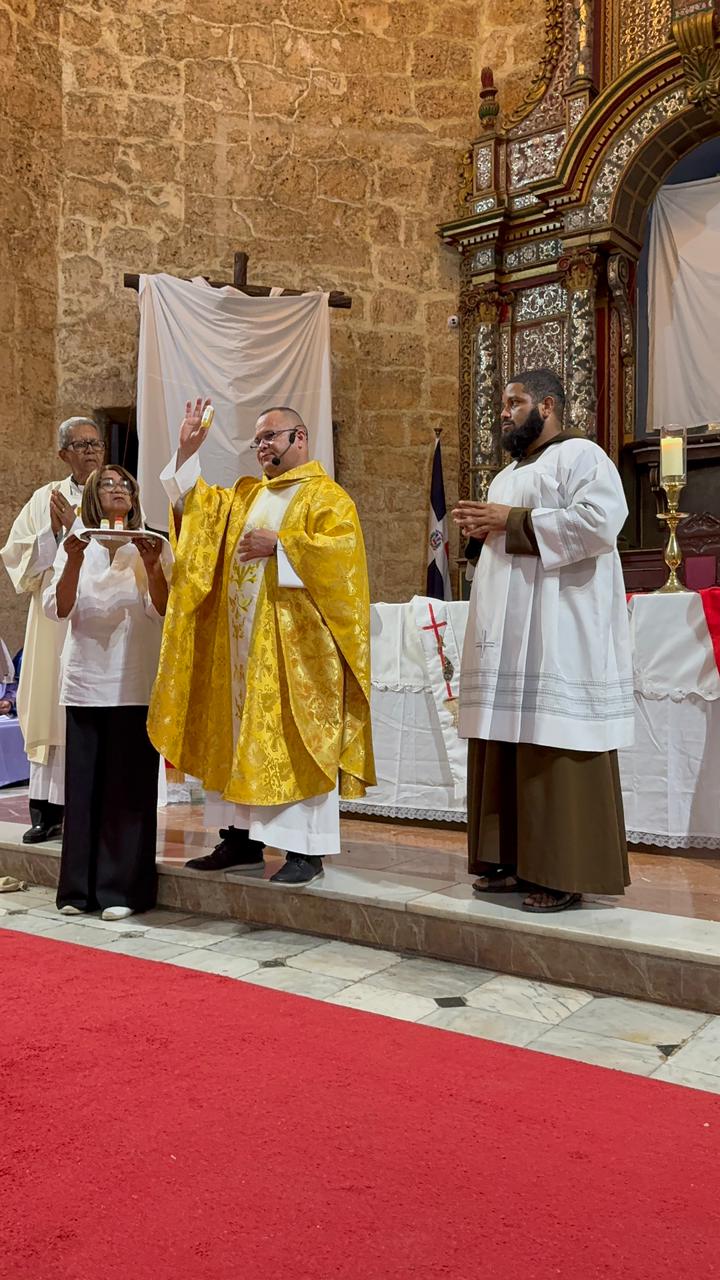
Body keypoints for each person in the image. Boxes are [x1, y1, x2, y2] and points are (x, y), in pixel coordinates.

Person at [148, 401, 375, 886]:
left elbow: (345, 567)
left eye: (271, 436)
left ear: (300, 438)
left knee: (294, 741)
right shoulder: (245, 499)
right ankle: (240, 840)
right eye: (258, 440)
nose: (263, 447)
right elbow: (197, 518)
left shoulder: (327, 498)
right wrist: (187, 454)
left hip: (296, 655)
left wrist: (285, 546)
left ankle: (303, 850)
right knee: (235, 735)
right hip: (239, 653)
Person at [453, 367, 633, 913]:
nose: (504, 413)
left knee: (554, 741)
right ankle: (511, 859)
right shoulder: (506, 473)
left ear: (548, 407)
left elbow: (603, 522)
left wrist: (513, 520)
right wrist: (484, 531)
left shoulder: (583, 457)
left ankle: (562, 871)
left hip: (560, 624)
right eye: (503, 404)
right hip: (510, 630)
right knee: (505, 735)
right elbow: (508, 534)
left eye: (515, 402)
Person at [43, 465, 171, 921]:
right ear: (94, 498)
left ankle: (122, 890)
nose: (117, 489)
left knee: (128, 788)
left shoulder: (152, 544)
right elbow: (59, 609)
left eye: (125, 484)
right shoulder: (74, 543)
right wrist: (74, 558)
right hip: (84, 682)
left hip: (132, 680)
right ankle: (77, 890)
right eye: (107, 484)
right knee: (83, 789)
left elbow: (163, 610)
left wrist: (153, 566)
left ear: (134, 498)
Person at [1, 417, 106, 842]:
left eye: (96, 443)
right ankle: (47, 811)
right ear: (63, 454)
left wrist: (80, 527)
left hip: (102, 620)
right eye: (81, 444)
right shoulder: (46, 498)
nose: (91, 451)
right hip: (53, 621)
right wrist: (56, 530)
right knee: (51, 706)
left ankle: (96, 809)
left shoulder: (117, 491)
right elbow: (17, 558)